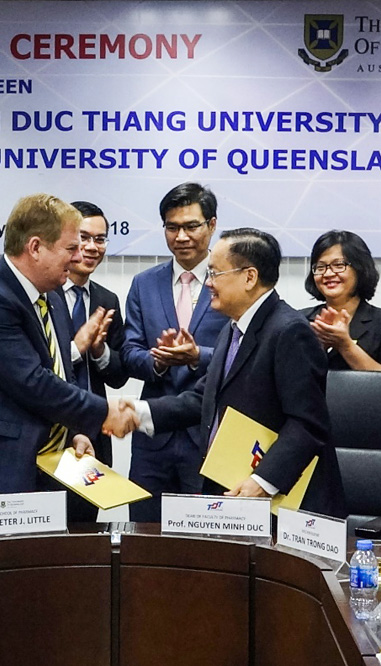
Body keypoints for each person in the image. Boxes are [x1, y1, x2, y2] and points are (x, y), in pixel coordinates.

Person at [0, 193, 137, 527]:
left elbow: (57, 373)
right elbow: (32, 383)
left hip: (42, 478)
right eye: (70, 248)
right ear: (36, 247)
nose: (79, 256)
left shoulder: (49, 297)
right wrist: (105, 412)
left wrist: (74, 431)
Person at [129, 229, 346, 517]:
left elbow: (307, 424)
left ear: (249, 277)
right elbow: (202, 399)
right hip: (239, 497)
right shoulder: (233, 329)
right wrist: (136, 413)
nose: (208, 283)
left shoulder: (289, 331)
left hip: (286, 507)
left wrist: (263, 481)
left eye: (215, 273)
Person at [120, 182, 229, 522]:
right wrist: (159, 361)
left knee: (206, 540)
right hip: (154, 440)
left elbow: (244, 355)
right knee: (144, 535)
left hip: (209, 435)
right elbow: (129, 351)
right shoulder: (144, 283)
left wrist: (197, 356)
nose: (181, 236)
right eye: (172, 227)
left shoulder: (231, 281)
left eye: (191, 226)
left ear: (211, 225)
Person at [57, 200, 129, 522]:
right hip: (54, 432)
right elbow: (40, 371)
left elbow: (118, 376)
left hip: (95, 433)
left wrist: (99, 351)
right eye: (83, 238)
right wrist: (77, 346)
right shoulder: (45, 296)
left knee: (87, 537)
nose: (91, 247)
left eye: (100, 239)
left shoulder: (106, 300)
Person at [301, 230, 381, 371]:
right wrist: (318, 347)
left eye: (339, 265)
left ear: (360, 268)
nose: (328, 273)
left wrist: (345, 345)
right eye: (320, 267)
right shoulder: (299, 320)